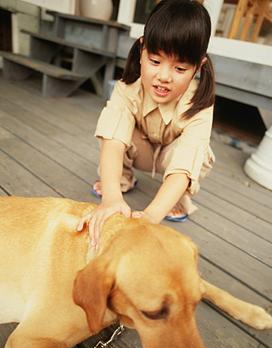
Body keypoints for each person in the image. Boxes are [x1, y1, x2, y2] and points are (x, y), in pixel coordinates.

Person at [78, 0, 215, 248]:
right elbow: (113, 141)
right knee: (116, 130)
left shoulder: (200, 102)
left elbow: (186, 163)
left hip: (170, 159)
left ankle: (176, 199)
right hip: (141, 150)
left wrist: (151, 216)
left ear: (198, 67)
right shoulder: (128, 87)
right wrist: (111, 198)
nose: (164, 76)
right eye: (155, 61)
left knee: (198, 153)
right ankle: (122, 179)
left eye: (180, 68)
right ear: (142, 50)